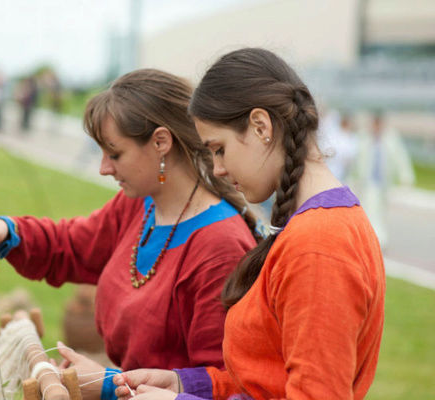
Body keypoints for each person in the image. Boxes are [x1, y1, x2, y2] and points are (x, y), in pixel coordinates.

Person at [0, 69, 258, 400]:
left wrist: (110, 384)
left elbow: (228, 383)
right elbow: (72, 246)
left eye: (115, 154)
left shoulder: (219, 246)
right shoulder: (139, 205)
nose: (104, 168)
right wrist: (9, 230)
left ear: (161, 142)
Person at [113, 48, 385, 400]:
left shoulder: (319, 243)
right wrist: (188, 384)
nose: (218, 169)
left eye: (220, 149)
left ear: (261, 126)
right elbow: (265, 382)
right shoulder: (313, 229)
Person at [353, 110, 414, 249]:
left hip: (383, 183)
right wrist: (353, 178)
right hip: (368, 183)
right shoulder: (364, 138)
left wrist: (406, 176)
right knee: (369, 209)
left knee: (380, 211)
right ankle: (374, 239)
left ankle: (379, 238)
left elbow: (401, 158)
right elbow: (355, 159)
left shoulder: (391, 139)